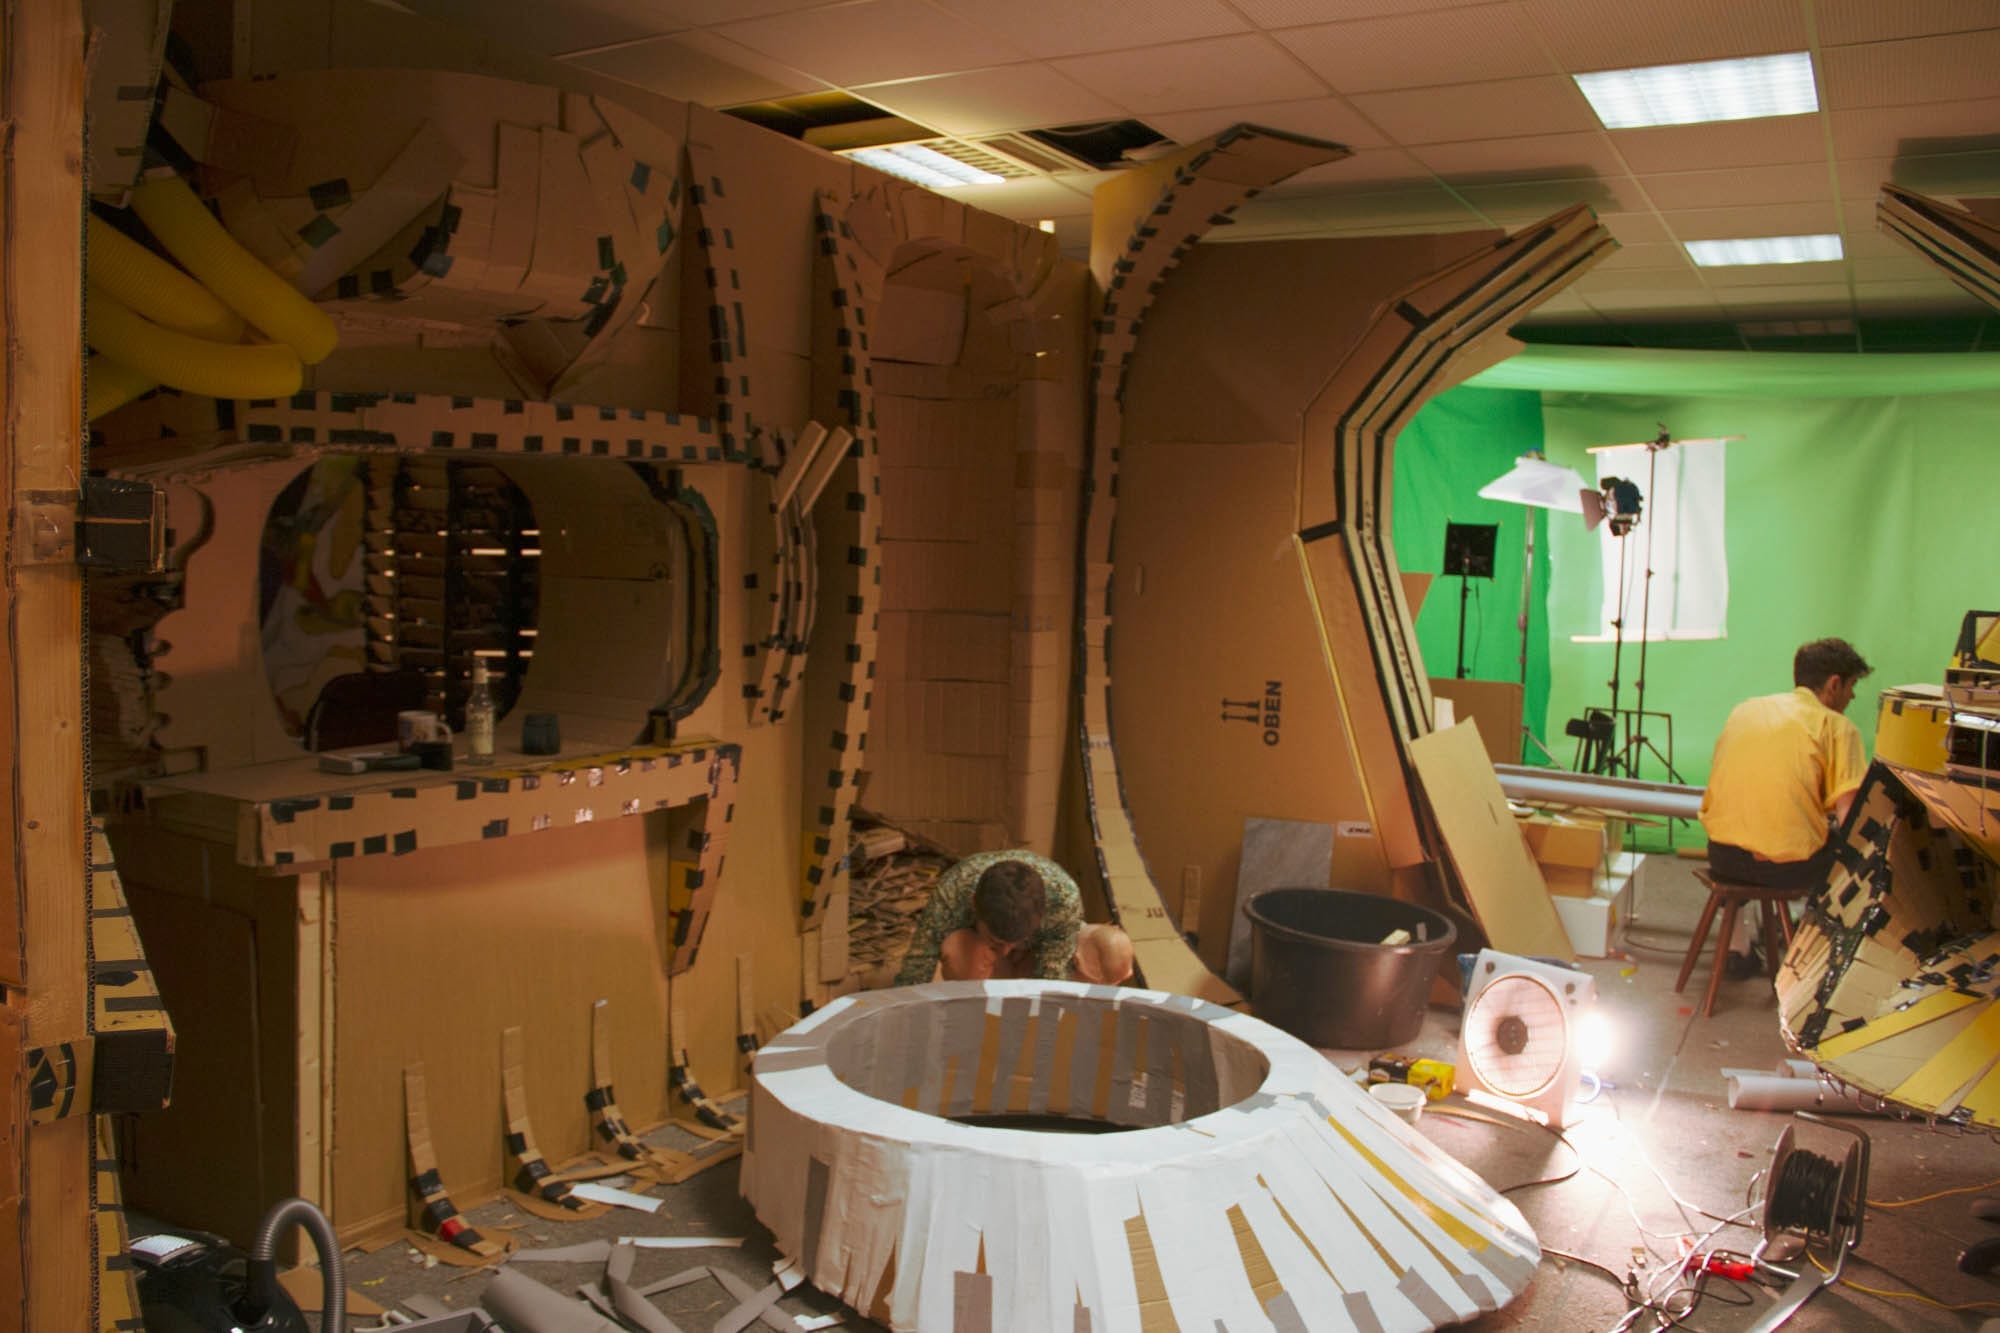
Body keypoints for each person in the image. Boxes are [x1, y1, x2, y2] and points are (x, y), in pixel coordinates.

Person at [1699, 637, 1871, 970]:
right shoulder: (1837, 727)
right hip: (1784, 870)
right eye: (1851, 687)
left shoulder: (1747, 710)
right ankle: (1808, 947)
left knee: (1761, 827)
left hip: (1722, 856)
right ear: (1834, 684)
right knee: (1851, 853)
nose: (1852, 697)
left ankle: (1737, 946)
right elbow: (1850, 816)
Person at [893, 849, 1132, 987]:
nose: (1005, 950)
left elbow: (1051, 979)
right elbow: (918, 964)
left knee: (1103, 961)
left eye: (1012, 942)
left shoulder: (1064, 897)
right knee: (958, 954)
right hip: (979, 948)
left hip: (1034, 953)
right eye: (997, 941)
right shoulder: (954, 890)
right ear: (974, 903)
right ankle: (977, 1000)